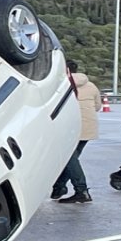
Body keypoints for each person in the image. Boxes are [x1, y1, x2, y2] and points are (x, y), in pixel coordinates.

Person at [51, 61, 103, 204]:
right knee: (71, 160)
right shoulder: (91, 85)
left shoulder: (61, 84)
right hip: (87, 127)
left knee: (70, 160)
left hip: (68, 127)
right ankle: (59, 187)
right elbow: (98, 106)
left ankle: (81, 191)